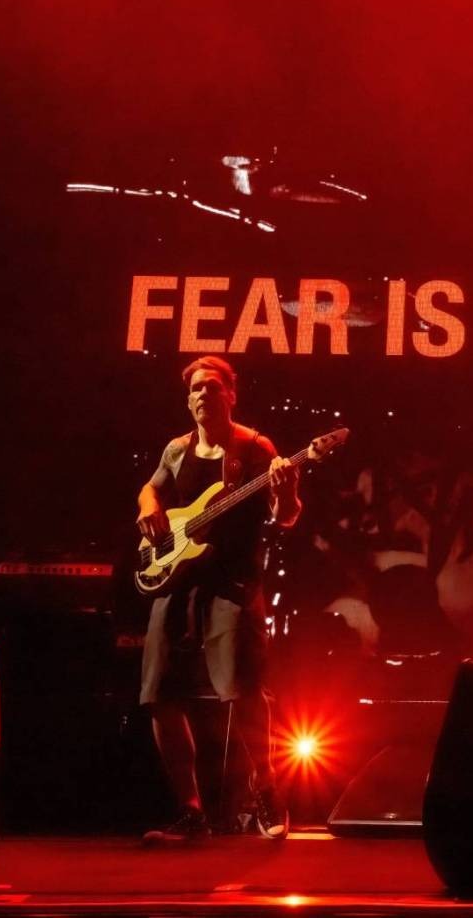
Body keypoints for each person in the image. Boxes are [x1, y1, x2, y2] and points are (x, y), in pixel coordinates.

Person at [135, 356, 301, 842]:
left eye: (212, 387)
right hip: (174, 583)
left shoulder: (254, 448)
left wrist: (287, 491)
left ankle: (267, 792)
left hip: (231, 586)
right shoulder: (176, 449)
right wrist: (148, 503)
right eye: (195, 389)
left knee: (242, 691)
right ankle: (191, 814)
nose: (203, 394)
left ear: (232, 394)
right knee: (159, 695)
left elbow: (285, 517)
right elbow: (153, 487)